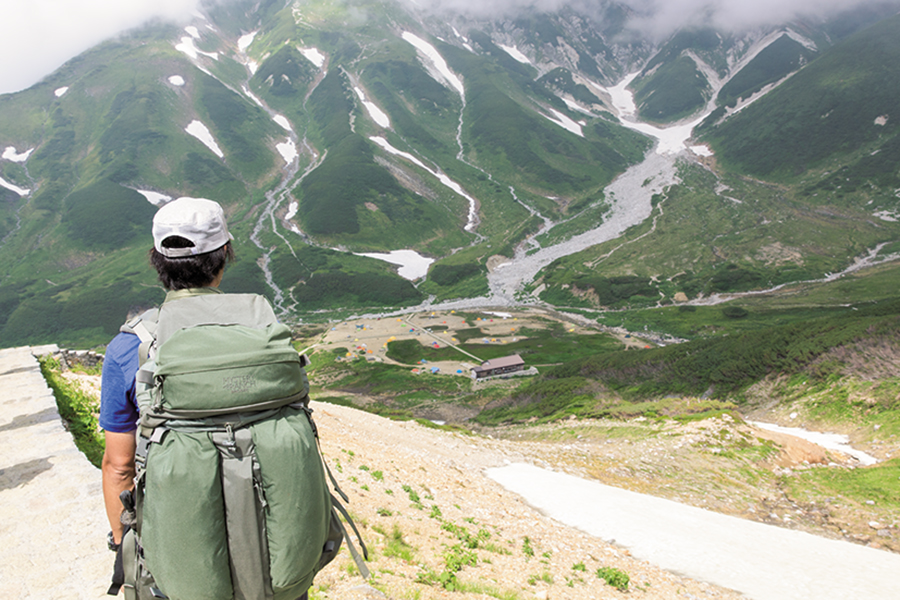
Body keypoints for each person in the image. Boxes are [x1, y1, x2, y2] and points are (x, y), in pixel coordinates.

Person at [99, 197, 310, 599]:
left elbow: (119, 465)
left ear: (156, 261)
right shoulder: (265, 330)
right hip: (278, 563)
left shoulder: (131, 348)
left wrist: (121, 543)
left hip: (180, 565)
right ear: (225, 254)